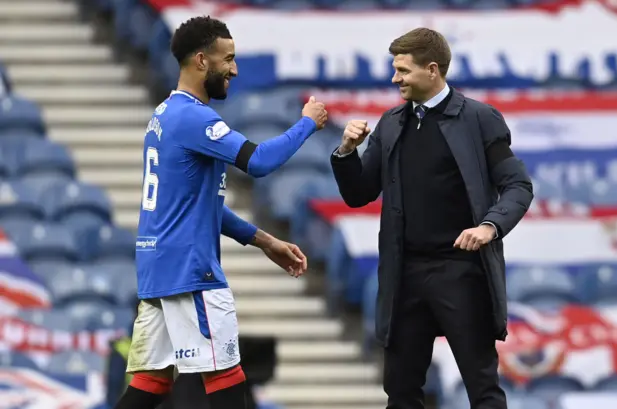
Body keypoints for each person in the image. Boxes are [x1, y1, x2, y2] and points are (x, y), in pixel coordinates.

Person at [113, 16, 328, 409]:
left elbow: (202, 205)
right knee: (227, 381)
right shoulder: (195, 118)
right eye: (227, 59)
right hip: (192, 271)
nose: (235, 68)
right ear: (200, 61)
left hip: (159, 269)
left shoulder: (163, 115)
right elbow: (260, 161)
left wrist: (264, 241)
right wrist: (307, 124)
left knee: (150, 385)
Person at [330, 28, 534, 409]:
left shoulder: (479, 118)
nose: (395, 79)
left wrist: (489, 226)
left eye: (403, 70)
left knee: (483, 389)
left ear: (433, 70)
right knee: (401, 392)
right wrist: (345, 153)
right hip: (405, 275)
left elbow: (518, 185)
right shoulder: (391, 123)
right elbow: (359, 194)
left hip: (461, 272)